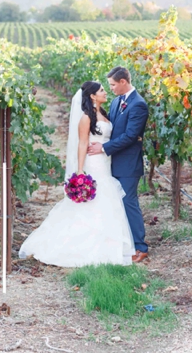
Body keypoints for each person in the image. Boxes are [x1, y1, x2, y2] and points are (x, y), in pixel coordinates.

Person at [18, 81, 134, 267]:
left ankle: (107, 244)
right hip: (93, 163)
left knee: (107, 199)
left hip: (105, 161)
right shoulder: (87, 117)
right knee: (98, 198)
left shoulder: (103, 114)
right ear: (92, 96)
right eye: (102, 90)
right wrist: (80, 171)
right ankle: (86, 246)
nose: (106, 92)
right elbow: (82, 143)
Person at [88, 66, 150, 263]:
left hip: (128, 164)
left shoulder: (138, 104)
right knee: (116, 204)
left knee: (128, 202)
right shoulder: (116, 102)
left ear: (123, 82)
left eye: (113, 85)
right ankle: (124, 243)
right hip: (110, 163)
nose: (111, 88)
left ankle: (141, 247)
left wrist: (104, 148)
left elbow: (131, 136)